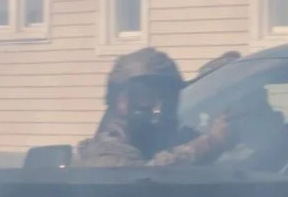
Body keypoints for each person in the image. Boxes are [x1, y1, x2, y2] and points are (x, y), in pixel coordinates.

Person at [74, 47, 229, 168]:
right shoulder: (105, 153)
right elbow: (147, 177)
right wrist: (210, 143)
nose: (158, 109)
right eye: (145, 97)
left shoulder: (152, 143)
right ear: (118, 101)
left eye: (167, 99)